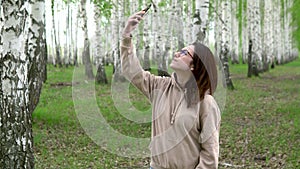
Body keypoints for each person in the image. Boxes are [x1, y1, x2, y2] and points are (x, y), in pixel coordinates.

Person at [121, 10, 221, 169]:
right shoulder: (160, 86)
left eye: (184, 53)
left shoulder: (206, 103)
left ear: (194, 66)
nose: (177, 53)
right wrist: (127, 35)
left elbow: (210, 154)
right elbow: (132, 71)